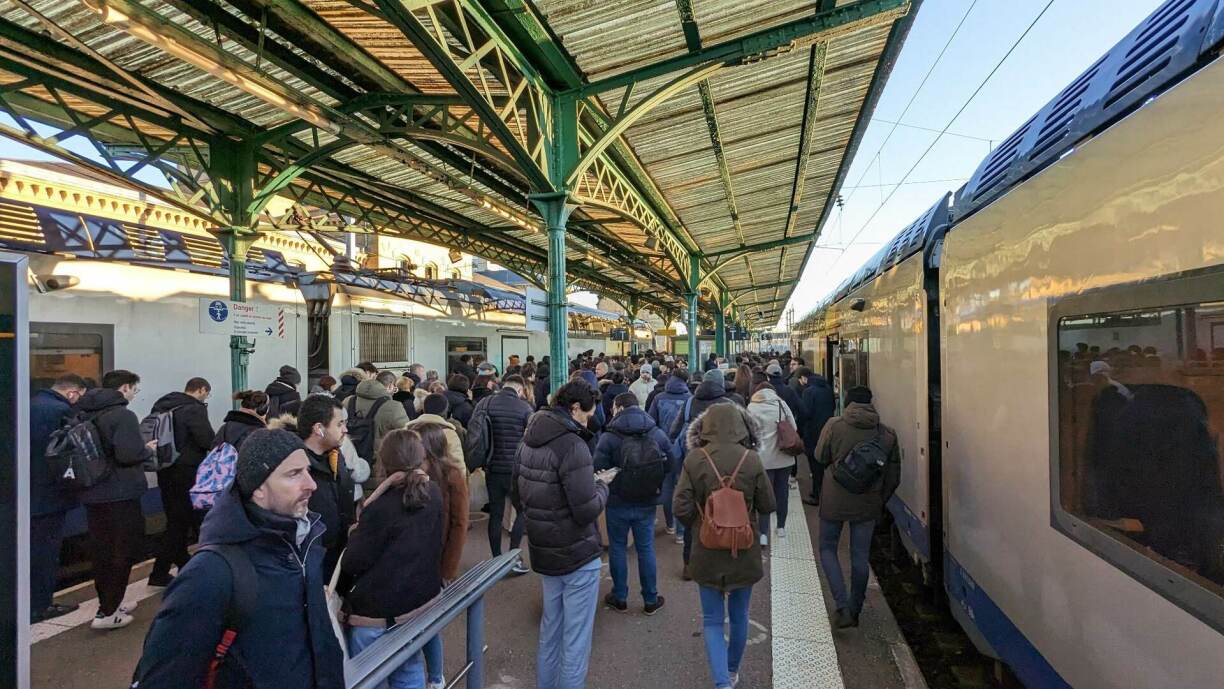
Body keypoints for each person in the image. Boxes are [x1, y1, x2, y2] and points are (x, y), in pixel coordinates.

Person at [131, 429, 344, 689]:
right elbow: (165, 677)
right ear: (258, 488)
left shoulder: (305, 543)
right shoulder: (211, 572)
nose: (311, 484)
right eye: (294, 474)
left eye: (307, 471)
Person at [512, 381, 611, 689]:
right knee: (576, 639)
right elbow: (585, 510)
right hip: (577, 552)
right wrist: (602, 486)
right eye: (588, 415)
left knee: (550, 630)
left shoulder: (528, 438)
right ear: (575, 408)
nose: (590, 422)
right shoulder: (573, 445)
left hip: (543, 548)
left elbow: (517, 494)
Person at [673, 403, 774, 689]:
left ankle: (722, 684)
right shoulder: (751, 459)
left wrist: (702, 522)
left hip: (706, 551)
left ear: (705, 428)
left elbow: (680, 507)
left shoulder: (695, 459)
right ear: (742, 426)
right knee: (740, 617)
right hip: (744, 550)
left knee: (712, 621)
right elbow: (768, 504)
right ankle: (731, 671)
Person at [343, 429, 445, 689]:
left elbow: (352, 563)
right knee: (409, 670)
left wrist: (355, 534)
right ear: (421, 457)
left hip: (378, 613)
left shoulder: (379, 508)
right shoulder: (433, 493)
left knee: (369, 677)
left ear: (383, 461)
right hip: (418, 602)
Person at [814, 386, 901, 628]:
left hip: (834, 499)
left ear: (848, 401)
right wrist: (879, 499)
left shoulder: (834, 425)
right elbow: (894, 477)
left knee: (827, 548)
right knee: (860, 556)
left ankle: (841, 605)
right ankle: (855, 609)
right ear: (871, 403)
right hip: (867, 502)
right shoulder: (887, 434)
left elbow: (820, 456)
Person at [78, 369, 155, 630]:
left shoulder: (86, 411)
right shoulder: (123, 415)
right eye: (135, 389)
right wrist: (147, 450)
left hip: (94, 493)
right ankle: (108, 612)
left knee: (102, 552)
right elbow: (127, 454)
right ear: (124, 388)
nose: (134, 394)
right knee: (123, 551)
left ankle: (110, 602)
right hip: (120, 493)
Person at [594, 393, 674, 615]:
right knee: (645, 548)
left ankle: (619, 597)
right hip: (647, 500)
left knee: (617, 548)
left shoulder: (609, 437)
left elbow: (597, 467)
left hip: (617, 501)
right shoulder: (655, 432)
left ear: (618, 408)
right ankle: (650, 599)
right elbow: (670, 463)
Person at [29, 373, 86, 622]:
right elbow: (70, 452)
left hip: (27, 492)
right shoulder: (61, 411)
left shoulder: (30, 404)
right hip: (50, 494)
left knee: (29, 551)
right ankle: (40, 605)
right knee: (46, 553)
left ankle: (26, 602)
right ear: (73, 393)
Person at [148, 377, 216, 588]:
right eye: (207, 393)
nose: (206, 397)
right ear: (201, 390)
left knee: (176, 519)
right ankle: (159, 573)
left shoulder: (162, 405)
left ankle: (182, 561)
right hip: (187, 473)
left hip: (165, 470)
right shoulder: (194, 409)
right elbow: (207, 440)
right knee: (180, 523)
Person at [417, 424, 470, 689]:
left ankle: (436, 677)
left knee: (429, 623)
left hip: (436, 560)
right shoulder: (411, 473)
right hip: (414, 558)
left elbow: (460, 524)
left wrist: (448, 569)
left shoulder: (452, 475)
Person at [295, 394, 354, 578]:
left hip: (339, 550)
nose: (345, 429)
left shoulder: (335, 455)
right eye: (339, 424)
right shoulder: (294, 466)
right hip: (312, 558)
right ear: (319, 429)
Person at [484, 374, 534, 572]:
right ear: (519, 390)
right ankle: (514, 556)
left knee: (496, 514)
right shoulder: (524, 408)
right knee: (521, 510)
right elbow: (532, 437)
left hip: (493, 467)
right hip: (516, 469)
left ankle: (496, 558)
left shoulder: (486, 404)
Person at [746, 382, 798, 546]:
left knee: (763, 495)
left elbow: (748, 433)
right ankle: (781, 527)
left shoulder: (751, 408)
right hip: (783, 458)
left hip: (762, 460)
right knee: (782, 493)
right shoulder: (782, 404)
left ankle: (763, 533)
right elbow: (794, 427)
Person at [648, 368, 691, 537]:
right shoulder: (689, 399)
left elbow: (651, 423)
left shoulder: (659, 398)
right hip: (684, 449)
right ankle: (681, 532)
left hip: (663, 448)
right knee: (682, 488)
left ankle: (670, 525)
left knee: (666, 487)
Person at [350, 370, 411, 466]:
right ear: (390, 386)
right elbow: (407, 435)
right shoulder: (394, 407)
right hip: (379, 463)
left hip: (350, 461)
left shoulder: (348, 401)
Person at [404, 393, 467, 478]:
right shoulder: (449, 434)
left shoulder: (407, 431)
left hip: (412, 482)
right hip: (440, 483)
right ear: (445, 411)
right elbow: (458, 466)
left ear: (424, 408)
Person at [798, 368, 836, 506]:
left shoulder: (808, 392)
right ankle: (827, 492)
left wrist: (800, 431)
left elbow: (805, 413)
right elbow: (833, 407)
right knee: (825, 462)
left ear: (805, 378)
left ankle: (817, 495)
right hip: (827, 429)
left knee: (815, 465)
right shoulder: (828, 389)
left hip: (812, 432)